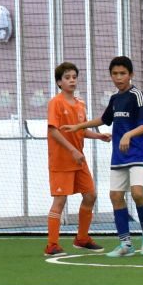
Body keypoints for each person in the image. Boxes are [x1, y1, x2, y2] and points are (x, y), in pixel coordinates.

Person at [74, 56, 143, 257]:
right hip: (119, 156)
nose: (118, 77)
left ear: (131, 75)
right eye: (115, 74)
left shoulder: (138, 96)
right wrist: (79, 126)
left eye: (123, 73)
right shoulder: (115, 99)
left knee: (137, 193)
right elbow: (104, 119)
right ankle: (126, 244)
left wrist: (128, 134)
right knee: (115, 196)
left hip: (138, 153)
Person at [44, 62, 107, 256]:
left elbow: (80, 130)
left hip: (78, 160)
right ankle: (52, 245)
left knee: (90, 195)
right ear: (59, 82)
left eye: (74, 77)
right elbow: (53, 131)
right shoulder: (56, 102)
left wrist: (98, 135)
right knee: (60, 200)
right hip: (62, 159)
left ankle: (82, 238)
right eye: (67, 77)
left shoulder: (80, 104)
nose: (72, 80)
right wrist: (72, 150)